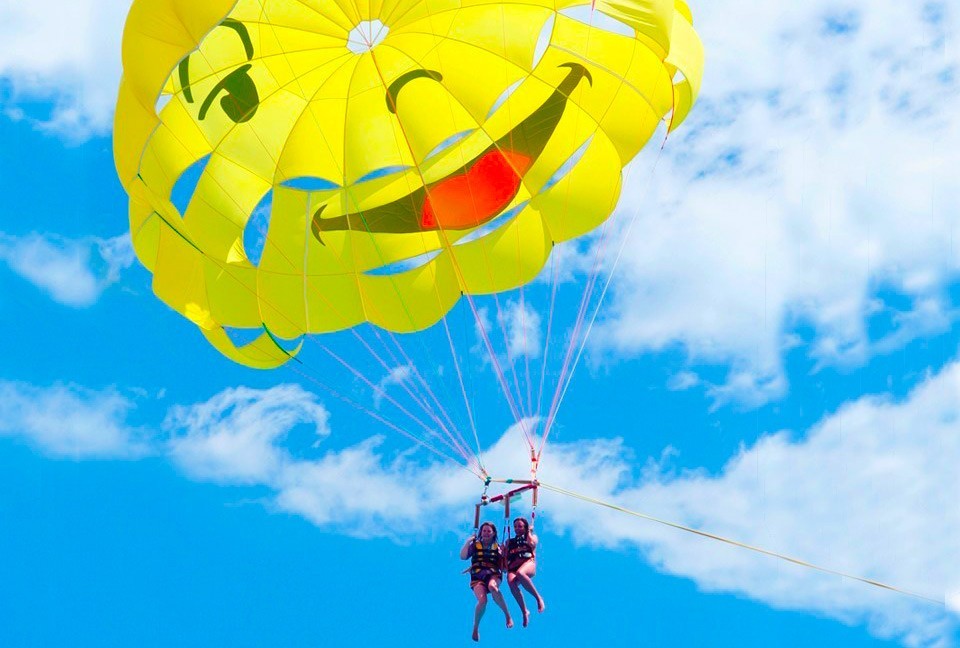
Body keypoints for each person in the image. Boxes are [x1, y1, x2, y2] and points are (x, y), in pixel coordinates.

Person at [461, 521, 513, 641]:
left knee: (493, 587)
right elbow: (463, 557)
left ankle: (507, 615)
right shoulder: (475, 545)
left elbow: (505, 569)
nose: (486, 533)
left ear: (493, 533)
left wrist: (505, 553)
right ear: (481, 532)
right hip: (477, 575)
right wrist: (468, 541)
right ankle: (475, 628)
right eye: (484, 531)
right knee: (483, 601)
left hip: (493, 574)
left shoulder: (499, 547)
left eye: (488, 531)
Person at [504, 517, 545, 627]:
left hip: (528, 563)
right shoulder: (510, 541)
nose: (517, 528)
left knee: (520, 573)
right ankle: (524, 611)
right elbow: (504, 555)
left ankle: (538, 598)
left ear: (525, 527)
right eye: (515, 526)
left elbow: (532, 544)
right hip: (513, 566)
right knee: (511, 583)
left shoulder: (531, 537)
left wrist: (529, 533)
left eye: (520, 526)